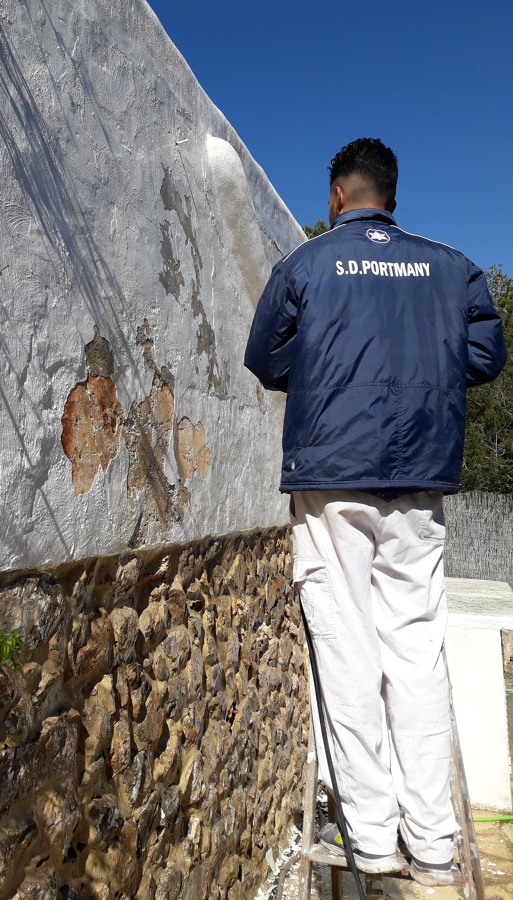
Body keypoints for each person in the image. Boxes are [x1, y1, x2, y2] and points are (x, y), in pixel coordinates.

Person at [244, 138, 507, 886]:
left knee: (347, 650)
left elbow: (265, 359)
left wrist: (331, 356)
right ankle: (431, 841)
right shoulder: (452, 266)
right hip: (419, 479)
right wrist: (417, 356)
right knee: (416, 653)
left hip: (331, 478)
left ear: (336, 197)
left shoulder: (307, 263)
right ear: (391, 196)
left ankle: (369, 838)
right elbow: (486, 359)